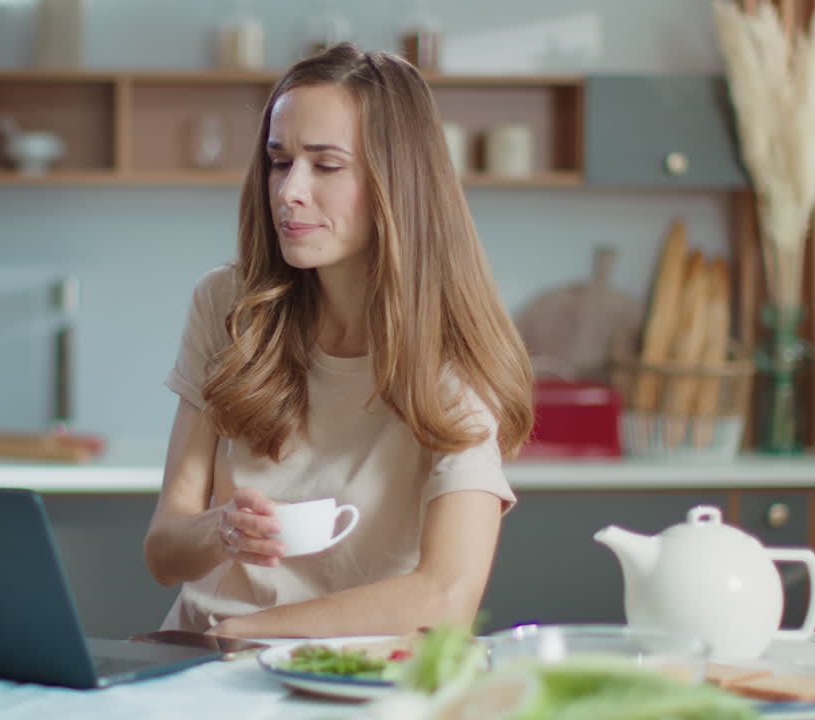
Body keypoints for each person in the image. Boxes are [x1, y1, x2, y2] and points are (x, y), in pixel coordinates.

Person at [142, 43, 534, 639]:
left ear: (397, 184)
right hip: (193, 656)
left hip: (348, 674)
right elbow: (163, 554)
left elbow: (447, 594)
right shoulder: (227, 305)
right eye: (280, 161)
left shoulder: (451, 351)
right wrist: (219, 530)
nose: (289, 191)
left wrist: (245, 634)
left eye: (326, 166)